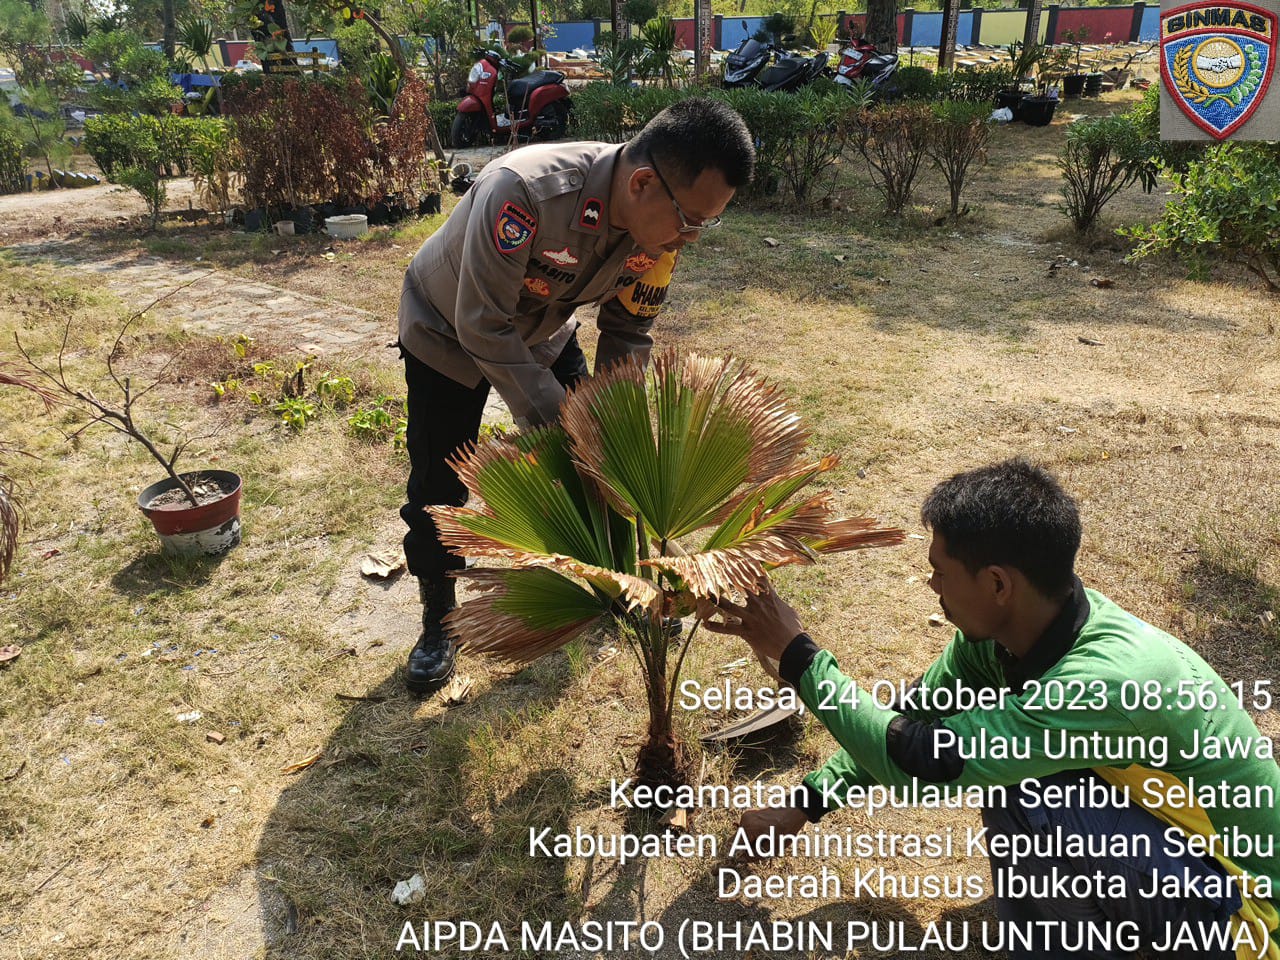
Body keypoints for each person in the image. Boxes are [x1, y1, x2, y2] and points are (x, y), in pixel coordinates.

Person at [704, 459, 1280, 959]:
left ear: (999, 584)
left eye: (940, 571)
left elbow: (923, 764)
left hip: (1249, 915)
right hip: (1183, 857)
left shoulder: (1112, 678)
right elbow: (914, 723)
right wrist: (803, 807)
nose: (931, 584)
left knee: (1033, 797)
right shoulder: (1007, 637)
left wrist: (799, 658)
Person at [396, 98, 755, 696]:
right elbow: (481, 324)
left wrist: (614, 428)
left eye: (706, 224)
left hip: (541, 329)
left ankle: (602, 582)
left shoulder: (657, 238)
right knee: (438, 486)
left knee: (597, 453)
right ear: (644, 183)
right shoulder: (525, 191)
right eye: (691, 219)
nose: (691, 239)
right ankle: (440, 620)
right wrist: (558, 422)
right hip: (445, 331)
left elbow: (629, 332)